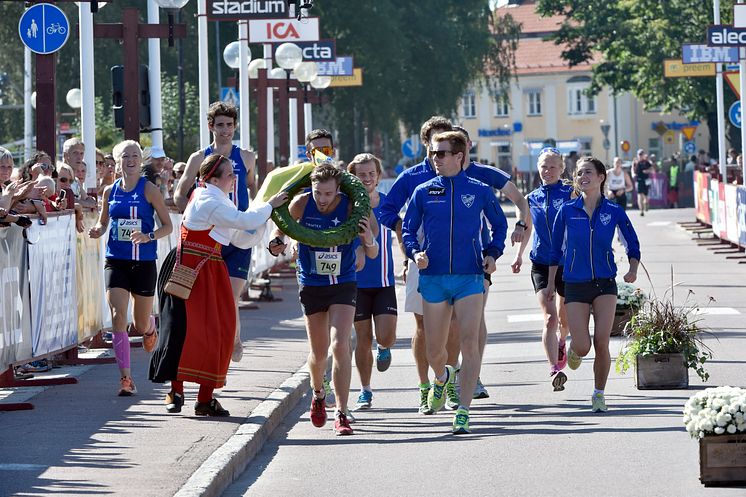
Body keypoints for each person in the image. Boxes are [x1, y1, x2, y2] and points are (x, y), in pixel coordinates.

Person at [149, 154, 287, 416]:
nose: (234, 178)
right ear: (213, 179)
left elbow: (240, 234)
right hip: (191, 268)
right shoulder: (208, 198)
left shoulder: (216, 198)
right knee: (182, 329)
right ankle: (176, 391)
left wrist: (267, 219)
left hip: (208, 268)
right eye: (229, 175)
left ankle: (204, 399)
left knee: (218, 332)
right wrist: (269, 206)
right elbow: (244, 222)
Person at [402, 131, 506, 434]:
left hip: (470, 276)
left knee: (469, 343)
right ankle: (442, 376)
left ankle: (463, 409)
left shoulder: (480, 190)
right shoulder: (423, 191)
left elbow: (499, 224)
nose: (436, 158)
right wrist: (414, 252)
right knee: (435, 352)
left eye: (442, 153)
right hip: (433, 277)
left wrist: (493, 253)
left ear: (459, 156)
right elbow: (408, 230)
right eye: (434, 153)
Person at [268, 162, 378, 436]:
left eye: (328, 194)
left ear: (338, 190)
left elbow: (373, 251)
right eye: (319, 192)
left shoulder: (351, 205)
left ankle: (342, 412)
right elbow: (279, 229)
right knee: (318, 353)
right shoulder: (302, 203)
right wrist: (276, 241)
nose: (323, 199)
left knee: (341, 345)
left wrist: (367, 240)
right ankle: (318, 394)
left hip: (343, 281)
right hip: (312, 282)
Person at [546, 156, 641, 413]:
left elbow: (632, 243)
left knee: (601, 342)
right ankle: (575, 351)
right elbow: (555, 251)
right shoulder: (566, 211)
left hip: (605, 283)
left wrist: (632, 269)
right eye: (578, 173)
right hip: (575, 284)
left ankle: (599, 394)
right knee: (584, 346)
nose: (582, 176)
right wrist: (550, 285)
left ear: (601, 177)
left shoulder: (614, 211)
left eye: (588, 172)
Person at [88, 140, 173, 396]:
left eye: (135, 155)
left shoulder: (150, 190)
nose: (131, 160)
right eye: (126, 156)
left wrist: (149, 236)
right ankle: (125, 378)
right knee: (117, 315)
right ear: (117, 161)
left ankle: (149, 328)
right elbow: (104, 222)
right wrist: (98, 230)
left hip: (144, 261)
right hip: (116, 260)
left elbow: (168, 226)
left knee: (138, 323)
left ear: (141, 160)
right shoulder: (109, 191)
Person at [175, 102, 257, 363]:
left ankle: (233, 339)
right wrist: (192, 217)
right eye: (220, 125)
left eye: (229, 125)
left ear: (235, 126)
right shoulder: (200, 158)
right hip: (211, 237)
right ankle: (207, 343)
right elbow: (180, 192)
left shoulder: (246, 157)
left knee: (232, 295)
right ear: (211, 126)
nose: (225, 130)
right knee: (208, 296)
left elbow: (254, 189)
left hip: (239, 237)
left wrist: (253, 217)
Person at [512, 148, 574, 391]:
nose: (547, 171)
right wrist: (518, 255)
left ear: (561, 169)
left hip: (566, 263)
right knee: (550, 317)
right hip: (540, 262)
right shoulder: (532, 198)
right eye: (543, 167)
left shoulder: (571, 193)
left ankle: (562, 341)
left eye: (552, 167)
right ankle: (554, 370)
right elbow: (527, 228)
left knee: (565, 319)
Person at [347, 153, 397, 410]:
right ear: (353, 176)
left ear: (378, 175)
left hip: (384, 280)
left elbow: (402, 231)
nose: (366, 178)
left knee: (386, 336)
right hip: (356, 282)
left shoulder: (388, 204)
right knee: (362, 338)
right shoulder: (346, 205)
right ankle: (365, 390)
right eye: (361, 174)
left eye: (371, 174)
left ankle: (385, 348)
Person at [633, 149, 653, 216]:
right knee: (639, 196)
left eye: (642, 154)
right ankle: (641, 211)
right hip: (639, 180)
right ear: (638, 155)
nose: (641, 156)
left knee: (645, 196)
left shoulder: (646, 162)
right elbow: (633, 170)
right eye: (639, 154)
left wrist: (647, 171)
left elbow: (652, 169)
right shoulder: (635, 162)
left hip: (646, 180)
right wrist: (633, 174)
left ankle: (646, 204)